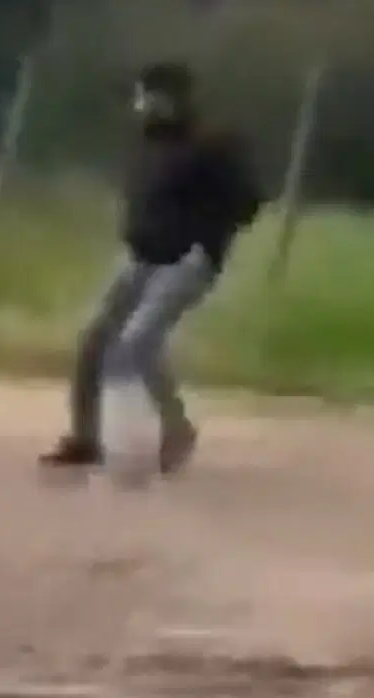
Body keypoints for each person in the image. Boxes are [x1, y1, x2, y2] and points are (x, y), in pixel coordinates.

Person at [39, 61, 264, 473]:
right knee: (94, 340)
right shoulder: (146, 145)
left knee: (139, 340)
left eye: (151, 97)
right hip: (140, 256)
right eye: (142, 97)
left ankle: (177, 427)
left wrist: (205, 242)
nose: (142, 104)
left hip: (187, 260)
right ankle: (85, 438)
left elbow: (247, 205)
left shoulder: (210, 146)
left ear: (173, 100)